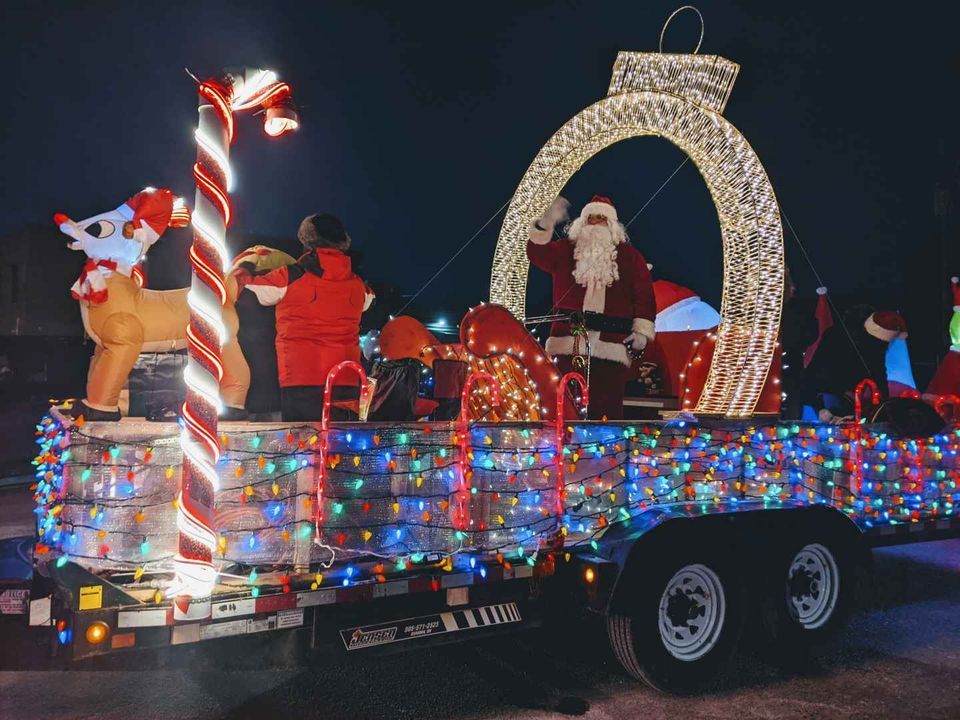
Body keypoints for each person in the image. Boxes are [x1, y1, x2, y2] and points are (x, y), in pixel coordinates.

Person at [233, 214, 375, 421]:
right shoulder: (358, 285)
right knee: (341, 444)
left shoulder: (291, 276)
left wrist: (245, 266)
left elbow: (247, 289)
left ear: (307, 241)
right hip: (346, 380)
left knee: (305, 444)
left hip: (301, 380)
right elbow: (370, 300)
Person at [527, 195, 656, 420]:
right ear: (582, 222)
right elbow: (537, 253)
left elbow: (644, 296)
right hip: (567, 344)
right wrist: (546, 222)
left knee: (605, 409)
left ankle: (605, 453)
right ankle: (562, 451)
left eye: (602, 219)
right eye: (591, 218)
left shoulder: (630, 258)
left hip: (611, 346)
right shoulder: (565, 251)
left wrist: (641, 333)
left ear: (612, 225)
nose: (596, 224)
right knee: (564, 407)